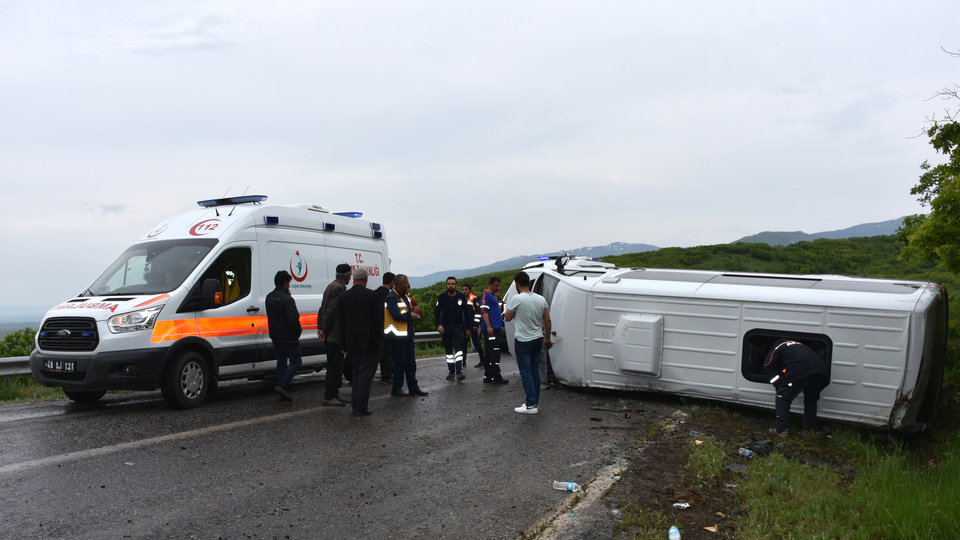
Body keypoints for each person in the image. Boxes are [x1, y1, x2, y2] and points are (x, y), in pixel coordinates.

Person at [337, 267, 383, 417]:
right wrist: (380, 340)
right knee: (366, 375)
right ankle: (360, 407)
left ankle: (355, 403)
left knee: (356, 373)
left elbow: (341, 322)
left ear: (354, 279)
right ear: (365, 279)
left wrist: (343, 344)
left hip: (351, 342)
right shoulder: (372, 295)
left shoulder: (344, 296)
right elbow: (378, 321)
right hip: (369, 342)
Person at [504, 271, 552, 414]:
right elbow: (547, 320)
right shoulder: (541, 299)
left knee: (525, 372)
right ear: (529, 283)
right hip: (538, 338)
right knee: (534, 371)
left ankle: (531, 405)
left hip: (523, 340)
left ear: (517, 284)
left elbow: (507, 318)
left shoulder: (517, 299)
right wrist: (548, 338)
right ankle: (534, 402)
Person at [763, 339, 830, 434]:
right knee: (810, 400)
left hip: (801, 367)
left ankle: (782, 429)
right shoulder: (800, 347)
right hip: (821, 371)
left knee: (782, 397)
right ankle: (810, 431)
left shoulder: (777, 347)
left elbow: (768, 365)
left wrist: (778, 385)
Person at [384, 274, 429, 397]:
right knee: (400, 362)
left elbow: (405, 312)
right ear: (399, 284)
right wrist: (411, 316)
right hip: (397, 335)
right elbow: (395, 315)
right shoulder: (391, 297)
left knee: (411, 362)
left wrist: (413, 311)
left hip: (407, 333)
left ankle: (413, 387)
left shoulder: (404, 296)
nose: (408, 284)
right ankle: (396, 388)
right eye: (406, 283)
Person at [318, 263, 352, 406]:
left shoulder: (331, 286)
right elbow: (332, 312)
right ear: (347, 276)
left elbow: (322, 309)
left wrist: (320, 327)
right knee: (335, 366)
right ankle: (329, 395)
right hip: (334, 335)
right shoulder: (339, 288)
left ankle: (334, 394)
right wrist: (325, 330)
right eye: (350, 274)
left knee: (334, 365)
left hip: (329, 333)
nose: (351, 276)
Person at [265, 270, 301, 402]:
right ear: (285, 283)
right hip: (289, 337)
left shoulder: (269, 297)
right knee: (296, 361)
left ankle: (282, 392)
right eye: (289, 283)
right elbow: (293, 319)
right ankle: (282, 385)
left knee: (281, 362)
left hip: (275, 336)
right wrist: (297, 332)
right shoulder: (287, 299)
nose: (289, 286)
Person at [434, 277, 471, 382]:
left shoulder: (461, 297)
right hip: (445, 327)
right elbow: (437, 312)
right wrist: (439, 325)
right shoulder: (442, 297)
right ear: (446, 285)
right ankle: (451, 372)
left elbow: (467, 313)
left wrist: (468, 328)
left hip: (458, 327)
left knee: (459, 349)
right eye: (449, 283)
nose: (451, 285)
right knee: (449, 351)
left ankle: (459, 373)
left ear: (456, 285)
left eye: (453, 283)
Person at [480, 276, 508, 385]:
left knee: (488, 352)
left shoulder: (492, 296)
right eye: (496, 285)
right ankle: (496, 376)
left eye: (499, 285)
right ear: (490, 284)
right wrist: (489, 326)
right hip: (491, 329)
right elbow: (484, 311)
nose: (498, 287)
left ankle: (488, 375)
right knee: (495, 351)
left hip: (495, 327)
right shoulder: (486, 295)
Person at [376, 272, 396, 385]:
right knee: (387, 352)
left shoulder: (378, 292)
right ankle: (387, 375)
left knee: (384, 352)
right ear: (392, 282)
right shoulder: (386, 295)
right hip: (385, 327)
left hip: (379, 327)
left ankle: (386, 374)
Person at [462, 284, 486, 369]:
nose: (464, 291)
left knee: (476, 343)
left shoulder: (474, 299)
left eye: (466, 289)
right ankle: (463, 361)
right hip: (465, 325)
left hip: (472, 325)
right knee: (464, 344)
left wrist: (476, 324)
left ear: (470, 290)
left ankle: (483, 360)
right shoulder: (463, 299)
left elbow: (478, 313)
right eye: (463, 289)